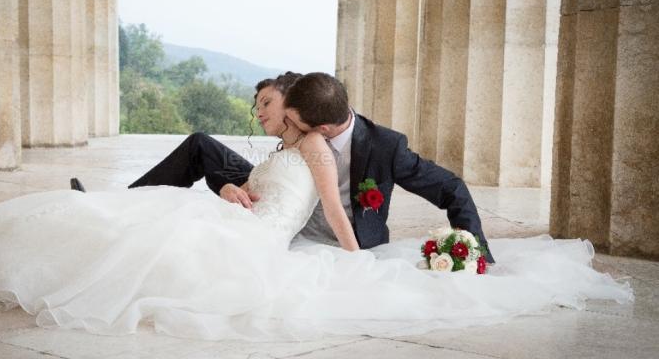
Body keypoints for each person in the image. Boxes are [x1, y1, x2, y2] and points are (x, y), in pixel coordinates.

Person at [0, 76, 633, 341]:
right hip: (262, 212)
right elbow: (281, 165)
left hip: (314, 238)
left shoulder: (367, 149)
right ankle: (33, 236)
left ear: (315, 126)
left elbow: (431, 194)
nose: (271, 119)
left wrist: (464, 250)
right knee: (167, 209)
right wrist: (234, 189)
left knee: (165, 251)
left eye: (279, 112)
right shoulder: (306, 125)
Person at [123, 72, 496, 264]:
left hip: (337, 239)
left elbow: (451, 188)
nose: (279, 120)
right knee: (201, 146)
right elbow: (270, 178)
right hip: (279, 204)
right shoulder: (309, 108)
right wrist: (223, 186)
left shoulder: (386, 146)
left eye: (286, 116)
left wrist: (476, 248)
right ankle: (120, 209)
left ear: (318, 128)